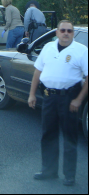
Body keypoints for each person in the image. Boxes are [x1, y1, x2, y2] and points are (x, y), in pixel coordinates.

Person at [28, 20, 88, 186]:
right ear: (57, 32)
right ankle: (48, 171)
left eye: (69, 30)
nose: (66, 33)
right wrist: (32, 94)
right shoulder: (48, 48)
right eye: (63, 30)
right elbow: (37, 72)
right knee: (48, 135)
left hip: (69, 99)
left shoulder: (81, 51)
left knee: (70, 137)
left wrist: (79, 99)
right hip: (49, 97)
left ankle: (69, 175)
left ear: (73, 33)